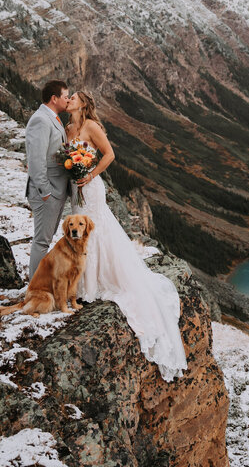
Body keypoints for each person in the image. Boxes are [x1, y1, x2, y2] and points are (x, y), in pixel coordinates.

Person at [65, 90, 188, 382]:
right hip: (75, 189)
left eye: (74, 96)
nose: (69, 98)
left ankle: (91, 287)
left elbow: (109, 154)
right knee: (80, 234)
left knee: (96, 232)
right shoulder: (67, 128)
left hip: (91, 187)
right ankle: (81, 283)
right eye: (67, 96)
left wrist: (91, 174)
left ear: (83, 103)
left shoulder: (91, 126)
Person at [24, 80, 72, 283]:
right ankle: (35, 286)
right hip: (47, 191)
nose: (68, 100)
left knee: (46, 238)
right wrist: (46, 192)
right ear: (54, 99)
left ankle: (42, 281)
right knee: (42, 241)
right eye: (65, 96)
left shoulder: (52, 118)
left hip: (56, 189)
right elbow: (36, 160)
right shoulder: (41, 120)